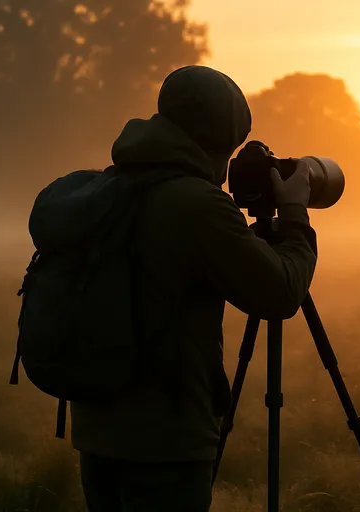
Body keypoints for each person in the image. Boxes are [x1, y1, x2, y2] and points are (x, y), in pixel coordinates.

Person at [71, 65, 318, 511]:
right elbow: (280, 292)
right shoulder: (196, 205)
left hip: (97, 433)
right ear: (221, 140)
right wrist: (295, 216)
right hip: (166, 444)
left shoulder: (112, 184)